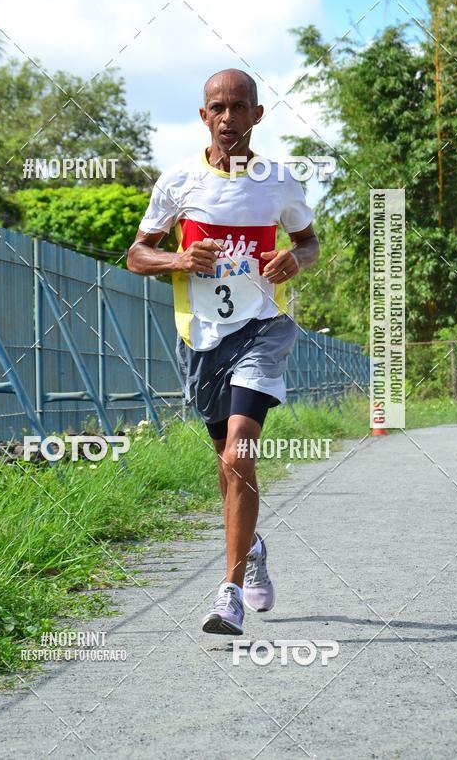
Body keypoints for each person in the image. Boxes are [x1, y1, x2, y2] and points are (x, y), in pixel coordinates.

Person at [127, 69, 319, 634]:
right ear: (204, 115)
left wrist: (293, 260)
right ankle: (252, 545)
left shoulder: (279, 181)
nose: (228, 117)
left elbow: (307, 244)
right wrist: (178, 261)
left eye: (240, 107)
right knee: (227, 463)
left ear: (258, 115)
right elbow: (138, 254)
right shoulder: (179, 180)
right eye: (218, 107)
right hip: (202, 336)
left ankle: (228, 591)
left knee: (239, 449)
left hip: (264, 326)